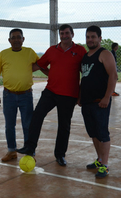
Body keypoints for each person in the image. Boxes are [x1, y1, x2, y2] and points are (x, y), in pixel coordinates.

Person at [17, 24, 87, 166]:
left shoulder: (80, 51)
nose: (64, 36)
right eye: (61, 33)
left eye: (67, 33)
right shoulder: (52, 50)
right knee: (37, 115)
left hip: (69, 95)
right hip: (51, 92)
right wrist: (18, 69)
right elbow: (40, 65)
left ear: (72, 34)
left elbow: (85, 74)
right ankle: (30, 147)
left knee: (64, 125)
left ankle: (60, 155)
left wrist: (81, 95)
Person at [0, 29, 41, 162]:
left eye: (19, 37)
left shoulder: (29, 52)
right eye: (13, 38)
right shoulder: (3, 54)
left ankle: (29, 152)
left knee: (27, 125)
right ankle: (11, 151)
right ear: (9, 40)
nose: (16, 40)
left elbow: (40, 64)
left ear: (23, 39)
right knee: (9, 125)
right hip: (9, 96)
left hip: (26, 95)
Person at [79, 25, 117, 178]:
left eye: (93, 37)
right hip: (87, 101)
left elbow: (113, 76)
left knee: (102, 133)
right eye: (88, 37)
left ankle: (105, 165)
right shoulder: (86, 56)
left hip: (100, 101)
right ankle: (100, 160)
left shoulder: (105, 53)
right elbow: (85, 78)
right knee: (93, 133)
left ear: (100, 38)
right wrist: (80, 96)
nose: (90, 39)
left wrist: (107, 97)